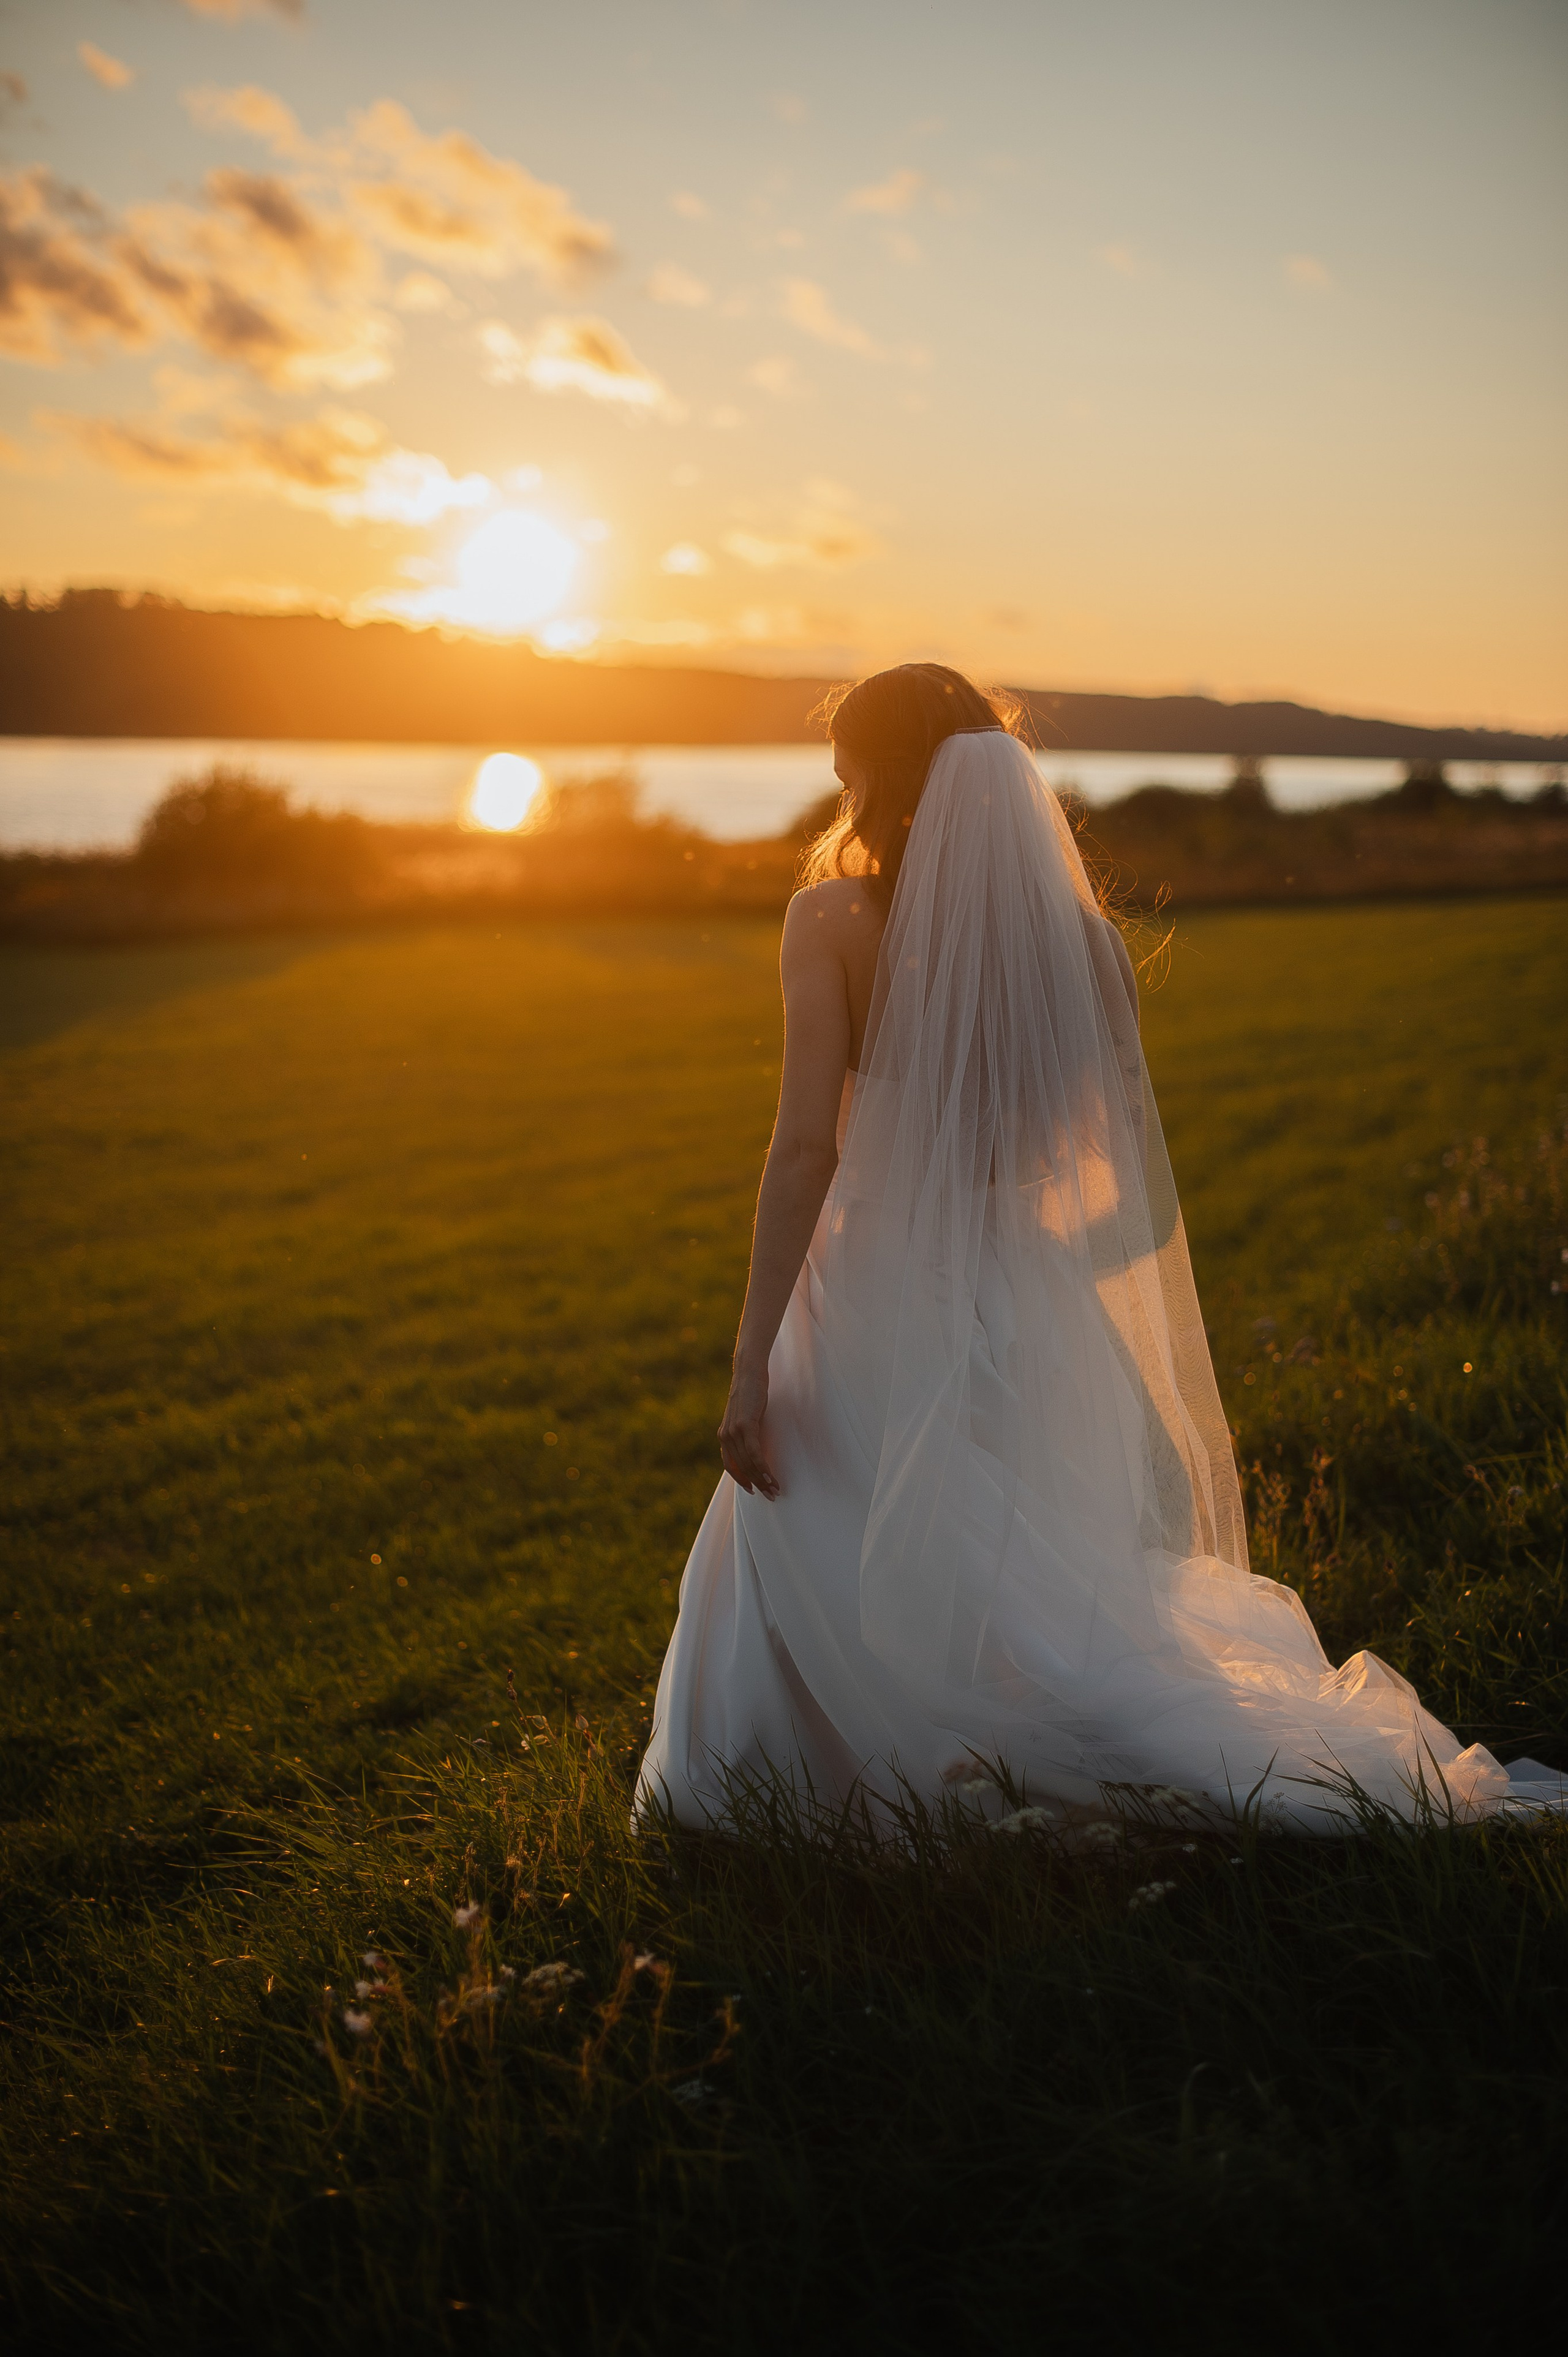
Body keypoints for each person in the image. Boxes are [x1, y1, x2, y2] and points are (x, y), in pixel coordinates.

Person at [636, 663, 1559, 1834]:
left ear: (877, 774)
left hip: (866, 1292)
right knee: (1014, 1571)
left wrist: (751, 1358)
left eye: (846, 765)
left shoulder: (828, 921)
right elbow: (1143, 1203)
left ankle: (827, 1791)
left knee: (826, 1525)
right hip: (1028, 1297)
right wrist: (1035, 1275)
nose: (838, 784)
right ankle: (998, 1766)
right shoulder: (1089, 949)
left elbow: (802, 1153)